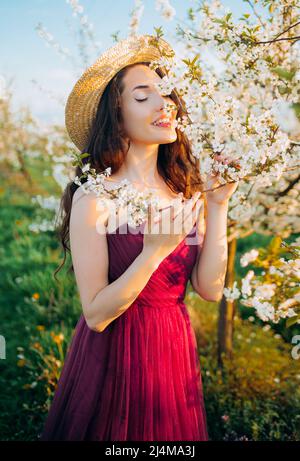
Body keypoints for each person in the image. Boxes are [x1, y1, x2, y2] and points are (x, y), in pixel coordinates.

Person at [39, 34, 238, 441]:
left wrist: (217, 207)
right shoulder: (95, 198)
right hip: (114, 354)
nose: (164, 104)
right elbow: (95, 315)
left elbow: (211, 289)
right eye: (143, 96)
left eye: (167, 94)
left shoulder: (183, 191)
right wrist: (152, 253)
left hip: (172, 348)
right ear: (116, 115)